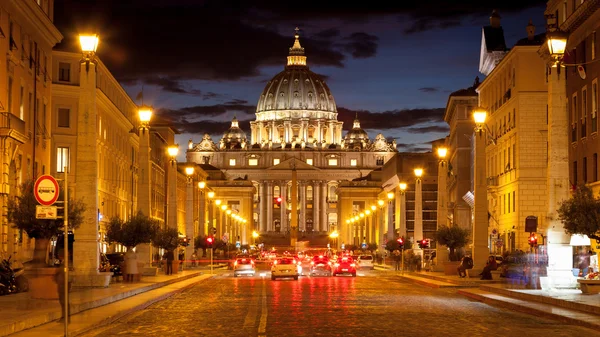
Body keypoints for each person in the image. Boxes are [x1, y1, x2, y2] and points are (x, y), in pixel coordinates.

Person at [54, 250, 72, 323]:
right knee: (63, 302)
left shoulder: (66, 264)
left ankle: (65, 318)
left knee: (64, 302)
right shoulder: (63, 263)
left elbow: (65, 274)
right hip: (62, 284)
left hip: (64, 285)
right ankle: (64, 317)